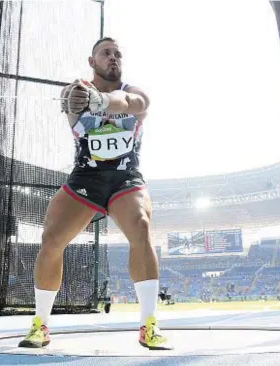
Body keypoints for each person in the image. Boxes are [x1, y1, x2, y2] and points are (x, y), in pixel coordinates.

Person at [18, 37, 172, 350]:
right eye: (106, 53)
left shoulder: (135, 92)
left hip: (124, 178)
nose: (113, 58)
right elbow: (70, 96)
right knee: (51, 240)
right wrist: (74, 98)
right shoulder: (78, 88)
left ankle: (149, 325)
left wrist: (101, 102)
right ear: (93, 62)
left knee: (141, 226)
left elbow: (133, 104)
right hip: (86, 177)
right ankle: (40, 325)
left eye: (118, 54)